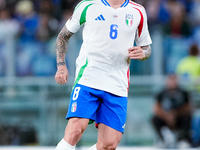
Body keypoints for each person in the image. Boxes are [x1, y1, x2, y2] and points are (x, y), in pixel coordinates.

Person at [54, 0, 152, 150]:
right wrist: (61, 66)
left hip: (117, 83)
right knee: (75, 130)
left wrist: (143, 52)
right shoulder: (87, 5)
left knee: (109, 144)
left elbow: (146, 47)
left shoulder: (138, 11)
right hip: (89, 77)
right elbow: (63, 36)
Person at [151, 74, 192, 148]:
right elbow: (156, 108)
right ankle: (164, 139)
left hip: (179, 117)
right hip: (165, 117)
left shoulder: (183, 92)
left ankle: (183, 139)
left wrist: (176, 114)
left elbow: (189, 107)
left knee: (188, 117)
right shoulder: (161, 93)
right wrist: (167, 116)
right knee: (154, 119)